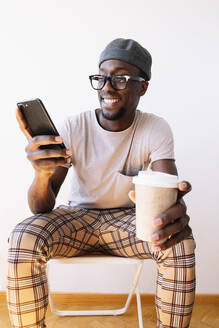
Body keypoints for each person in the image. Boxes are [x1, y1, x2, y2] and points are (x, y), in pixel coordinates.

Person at [7, 38, 195, 328]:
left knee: (179, 243)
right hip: (77, 220)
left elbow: (166, 187)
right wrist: (41, 174)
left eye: (120, 79)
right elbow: (41, 207)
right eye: (101, 78)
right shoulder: (73, 126)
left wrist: (173, 204)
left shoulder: (155, 128)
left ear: (142, 87)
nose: (107, 87)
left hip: (127, 223)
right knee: (23, 236)